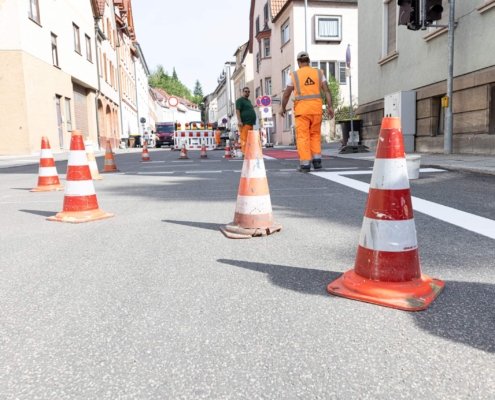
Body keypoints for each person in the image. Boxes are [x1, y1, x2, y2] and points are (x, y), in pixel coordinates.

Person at [281, 51, 335, 173]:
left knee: (303, 136)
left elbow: (286, 94)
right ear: (308, 61)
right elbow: (326, 90)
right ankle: (317, 161)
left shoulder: (293, 75)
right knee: (315, 135)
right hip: (316, 110)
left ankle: (305, 163)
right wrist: (330, 107)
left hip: (302, 111)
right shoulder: (318, 73)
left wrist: (283, 107)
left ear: (298, 62)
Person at [236, 87, 257, 157]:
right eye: (246, 91)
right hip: (245, 123)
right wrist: (240, 121)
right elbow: (238, 111)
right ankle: (244, 152)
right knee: (244, 138)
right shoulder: (240, 100)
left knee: (249, 139)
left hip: (250, 123)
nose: (247, 92)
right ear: (243, 92)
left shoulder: (248, 101)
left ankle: (248, 151)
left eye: (248, 91)